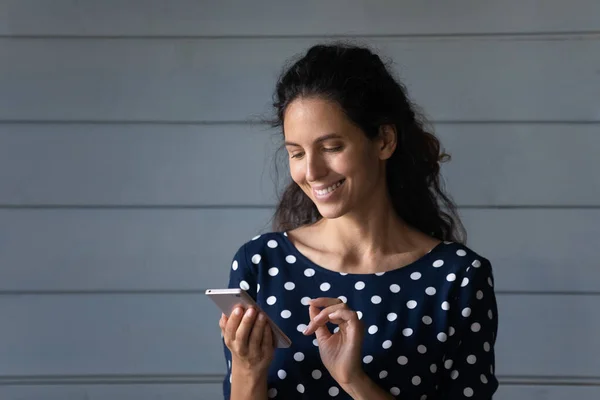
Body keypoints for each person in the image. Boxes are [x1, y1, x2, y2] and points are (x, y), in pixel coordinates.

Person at [218, 42, 499, 400]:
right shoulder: (261, 264)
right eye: (297, 153)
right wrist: (247, 368)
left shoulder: (456, 278)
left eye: (332, 147)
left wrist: (353, 379)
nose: (312, 172)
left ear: (384, 140)